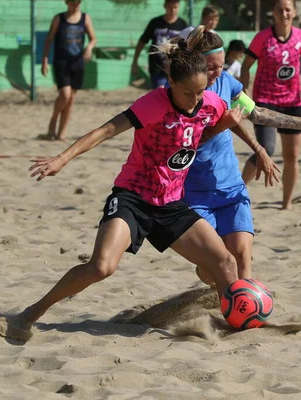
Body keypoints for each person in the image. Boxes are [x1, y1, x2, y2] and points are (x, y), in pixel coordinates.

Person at [14, 43, 246, 335]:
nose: (195, 99)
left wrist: (265, 139)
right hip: (133, 198)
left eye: (200, 92)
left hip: (171, 204)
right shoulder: (152, 104)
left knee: (225, 261)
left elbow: (230, 118)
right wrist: (61, 159)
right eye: (188, 92)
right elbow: (105, 130)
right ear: (171, 82)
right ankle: (32, 312)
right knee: (102, 266)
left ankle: (235, 325)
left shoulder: (210, 102)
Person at [176, 26, 301, 285]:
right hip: (195, 191)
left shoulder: (226, 82)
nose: (217, 73)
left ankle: (246, 307)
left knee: (241, 256)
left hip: (229, 185)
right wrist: (223, 126)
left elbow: (257, 114)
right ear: (194, 63)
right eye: (210, 68)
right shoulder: (184, 94)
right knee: (214, 270)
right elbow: (190, 140)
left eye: (220, 65)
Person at [240, 0, 301, 211]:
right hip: (264, 102)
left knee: (292, 156)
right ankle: (237, 190)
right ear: (274, 12)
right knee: (267, 149)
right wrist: (244, 91)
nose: (284, 13)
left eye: (288, 9)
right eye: (280, 9)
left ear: (295, 12)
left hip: (291, 103)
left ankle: (286, 203)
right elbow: (246, 66)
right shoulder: (263, 38)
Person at [41, 0, 96, 141]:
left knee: (71, 99)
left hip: (78, 63)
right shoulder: (59, 18)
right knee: (65, 95)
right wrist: (45, 59)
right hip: (62, 62)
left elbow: (93, 38)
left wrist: (89, 47)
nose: (76, 4)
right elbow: (49, 39)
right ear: (67, 2)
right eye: (73, 1)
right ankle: (53, 119)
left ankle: (61, 133)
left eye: (78, 2)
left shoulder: (85, 18)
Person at [131, 0, 188, 89]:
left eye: (175, 7)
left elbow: (187, 47)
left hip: (175, 68)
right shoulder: (155, 23)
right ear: (165, 6)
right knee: (160, 92)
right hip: (157, 68)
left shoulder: (182, 25)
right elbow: (142, 41)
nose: (173, 10)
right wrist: (135, 61)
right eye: (170, 7)